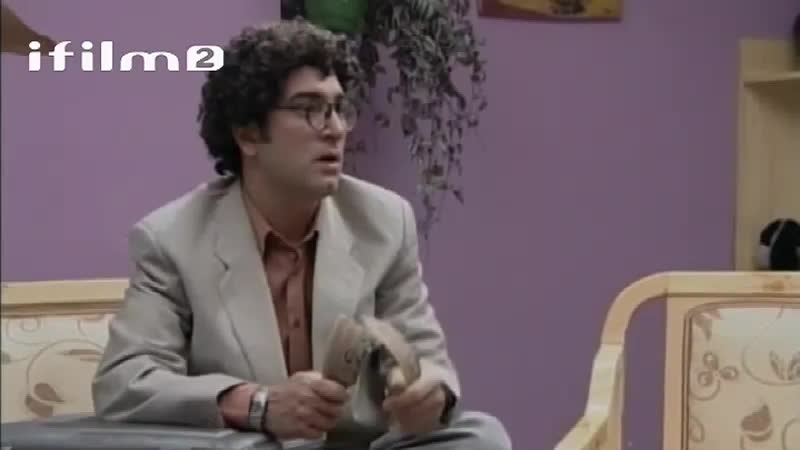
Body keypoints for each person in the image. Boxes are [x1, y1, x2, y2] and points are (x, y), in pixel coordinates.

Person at [91, 19, 512, 450]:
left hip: (354, 447)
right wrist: (259, 404)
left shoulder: (384, 220)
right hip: (250, 446)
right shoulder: (173, 239)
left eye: (339, 108)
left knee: (480, 436)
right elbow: (126, 380)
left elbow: (424, 354)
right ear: (248, 133)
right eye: (308, 109)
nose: (335, 129)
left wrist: (431, 394)